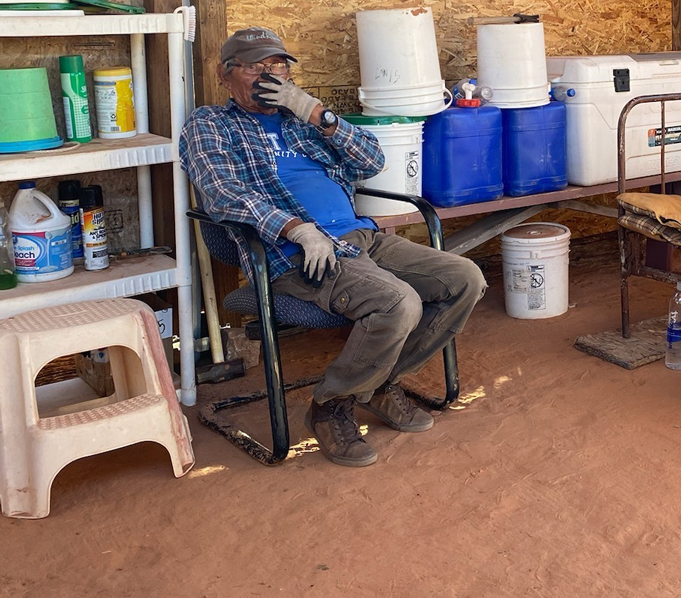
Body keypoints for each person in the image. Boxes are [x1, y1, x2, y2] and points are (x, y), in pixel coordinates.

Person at [180, 27, 487, 467]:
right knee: (398, 303)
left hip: (359, 237)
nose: (270, 76)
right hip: (295, 254)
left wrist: (315, 113)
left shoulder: (303, 121)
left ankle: (378, 383)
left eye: (278, 67)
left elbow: (373, 161)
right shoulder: (210, 124)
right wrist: (297, 229)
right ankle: (329, 409)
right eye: (255, 67)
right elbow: (221, 192)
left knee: (465, 279)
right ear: (225, 74)